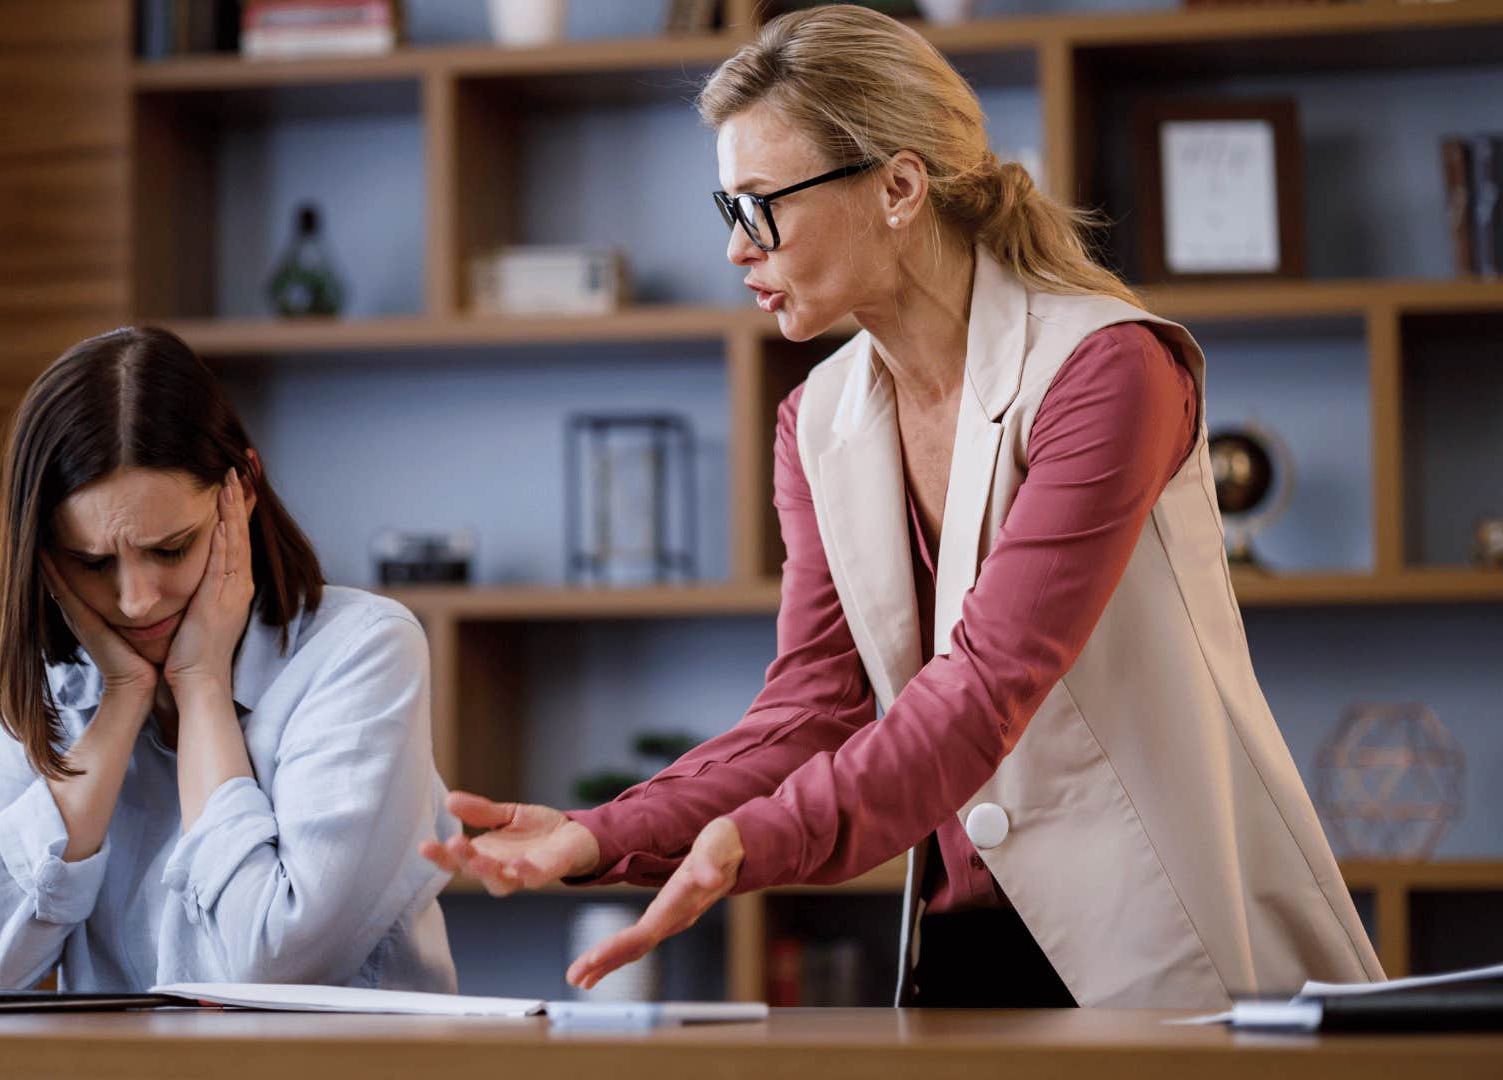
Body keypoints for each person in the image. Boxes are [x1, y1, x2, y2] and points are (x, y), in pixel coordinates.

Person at [424, 6, 1382, 1009]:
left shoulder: (1108, 372)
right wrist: (603, 833)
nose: (736, 250)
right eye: (727, 210)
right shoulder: (816, 419)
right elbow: (810, 712)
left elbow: (983, 687)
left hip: (1165, 948)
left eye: (760, 205)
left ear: (897, 187)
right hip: (957, 948)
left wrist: (753, 840)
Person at [0, 326, 458, 993]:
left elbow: (269, 963)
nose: (137, 600)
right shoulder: (52, 683)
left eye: (172, 549)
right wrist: (120, 701)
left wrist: (202, 685)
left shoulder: (362, 651)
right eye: (92, 564)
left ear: (244, 488)